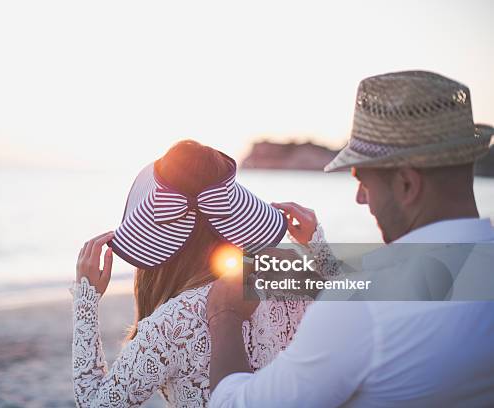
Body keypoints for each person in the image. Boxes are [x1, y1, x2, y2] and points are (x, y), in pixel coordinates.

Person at [207, 71, 494, 407]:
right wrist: (318, 248)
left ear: (406, 184)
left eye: (364, 182)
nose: (360, 198)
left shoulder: (361, 312)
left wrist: (224, 314)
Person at [70, 140, 340, 407]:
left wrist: (86, 300)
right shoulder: (286, 280)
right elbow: (353, 309)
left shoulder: (171, 324)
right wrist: (318, 247)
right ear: (236, 216)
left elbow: (94, 403)